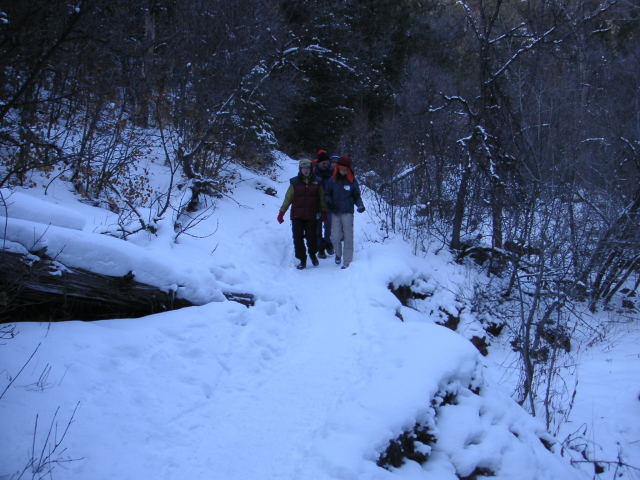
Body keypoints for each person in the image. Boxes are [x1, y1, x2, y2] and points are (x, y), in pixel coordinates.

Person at [277, 158, 327, 269]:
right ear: (300, 169)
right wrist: (281, 213)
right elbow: (288, 199)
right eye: (304, 168)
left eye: (308, 168)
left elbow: (322, 198)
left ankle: (313, 254)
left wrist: (324, 212)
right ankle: (302, 260)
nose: (306, 170)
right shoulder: (294, 182)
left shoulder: (318, 182)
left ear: (311, 169)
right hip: (297, 216)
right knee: (297, 238)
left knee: (312, 238)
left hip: (312, 215)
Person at [324, 155, 365, 269]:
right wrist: (329, 203)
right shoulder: (332, 180)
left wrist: (360, 205)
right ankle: (338, 254)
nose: (344, 171)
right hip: (335, 212)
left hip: (348, 212)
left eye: (346, 169)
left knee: (348, 236)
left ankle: (347, 262)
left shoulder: (352, 180)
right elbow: (327, 194)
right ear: (338, 168)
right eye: (342, 169)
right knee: (335, 237)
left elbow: (356, 196)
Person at [314, 150, 334, 258]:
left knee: (328, 226)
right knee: (317, 228)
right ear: (318, 163)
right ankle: (320, 248)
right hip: (316, 205)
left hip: (329, 205)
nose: (325, 164)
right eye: (323, 163)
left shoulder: (333, 173)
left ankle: (328, 244)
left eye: (327, 162)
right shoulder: (313, 173)